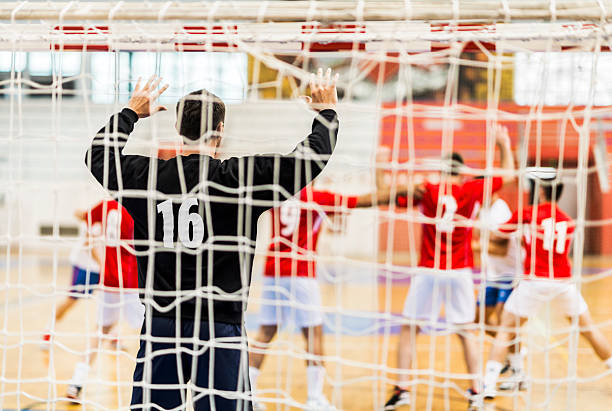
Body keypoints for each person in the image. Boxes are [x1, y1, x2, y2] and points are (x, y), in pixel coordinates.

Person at [84, 69, 340, 411]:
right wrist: (326, 115)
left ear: (177, 129)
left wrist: (131, 112)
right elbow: (309, 159)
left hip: (163, 324)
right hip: (220, 326)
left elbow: (97, 157)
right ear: (220, 130)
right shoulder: (239, 180)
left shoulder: (144, 176)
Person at [383, 125, 514, 410]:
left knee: (409, 329)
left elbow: (388, 196)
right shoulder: (471, 189)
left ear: (442, 170)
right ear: (462, 170)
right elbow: (509, 175)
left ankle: (402, 388)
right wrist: (503, 144)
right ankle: (477, 389)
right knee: (466, 331)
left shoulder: (427, 189)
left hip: (429, 270)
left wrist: (382, 168)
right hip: (460, 272)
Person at [249, 179, 404, 411]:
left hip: (272, 269)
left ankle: (247, 394)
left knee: (265, 332)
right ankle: (314, 398)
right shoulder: (317, 197)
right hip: (300, 272)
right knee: (314, 334)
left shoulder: (278, 193)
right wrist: (401, 189)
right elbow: (364, 201)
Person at [482, 168, 612, 399]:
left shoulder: (528, 213)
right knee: (589, 330)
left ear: (539, 190)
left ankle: (489, 384)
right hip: (563, 283)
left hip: (535, 282)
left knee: (505, 329)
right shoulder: (568, 220)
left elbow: (499, 235)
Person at [67, 199, 144, 400]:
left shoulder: (107, 205)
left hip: (109, 278)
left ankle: (76, 381)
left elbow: (80, 215)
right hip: (132, 280)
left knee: (100, 330)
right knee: (152, 331)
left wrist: (101, 261)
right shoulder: (139, 204)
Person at [473, 192, 525, 389]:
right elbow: (480, 234)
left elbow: (501, 248)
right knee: (480, 319)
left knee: (506, 324)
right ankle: (511, 351)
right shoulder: (481, 208)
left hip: (509, 274)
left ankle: (517, 369)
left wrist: (477, 246)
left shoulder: (500, 210)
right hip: (491, 274)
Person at [41, 210, 101, 349]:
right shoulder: (97, 217)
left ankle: (114, 337)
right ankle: (48, 330)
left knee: (112, 299)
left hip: (102, 266)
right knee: (71, 300)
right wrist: (102, 264)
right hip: (85, 266)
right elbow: (88, 243)